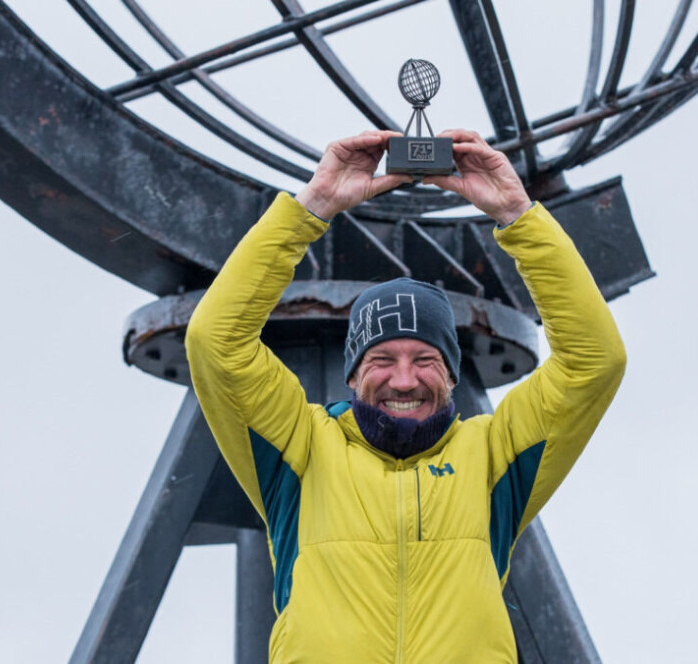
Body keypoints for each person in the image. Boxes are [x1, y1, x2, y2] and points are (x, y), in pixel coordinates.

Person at [186, 129, 626, 663]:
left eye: (424, 360)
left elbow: (594, 361)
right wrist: (313, 207)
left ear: (450, 375)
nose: (403, 380)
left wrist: (517, 214)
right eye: (381, 360)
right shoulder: (301, 451)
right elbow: (216, 341)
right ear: (353, 375)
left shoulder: (492, 458)